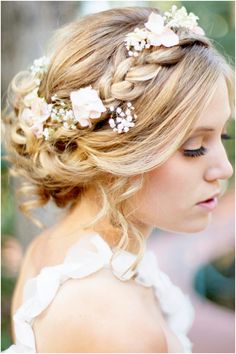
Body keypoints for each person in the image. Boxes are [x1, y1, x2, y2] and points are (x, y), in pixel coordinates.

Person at [2, 5, 234, 353]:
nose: (224, 169)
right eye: (194, 147)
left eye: (223, 137)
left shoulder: (53, 251)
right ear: (118, 152)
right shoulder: (122, 326)